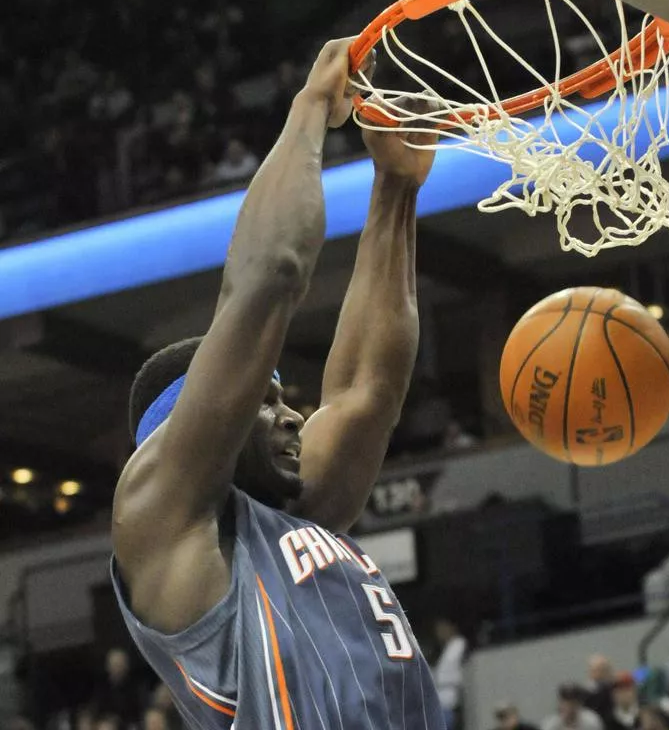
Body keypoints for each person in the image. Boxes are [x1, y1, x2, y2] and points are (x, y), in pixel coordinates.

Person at [110, 39, 443, 729]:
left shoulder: (293, 519)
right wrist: (311, 110)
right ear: (201, 426)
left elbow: (365, 392)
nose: (293, 417)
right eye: (264, 403)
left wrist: (396, 190)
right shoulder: (166, 526)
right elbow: (270, 275)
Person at [432, 617, 468, 730]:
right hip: (439, 697)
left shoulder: (458, 643)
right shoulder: (443, 649)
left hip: (450, 696)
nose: (439, 633)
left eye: (442, 629)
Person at [584, 655, 615, 719]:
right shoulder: (585, 694)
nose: (599, 674)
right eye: (595, 670)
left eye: (603, 670)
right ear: (590, 672)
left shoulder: (616, 691)